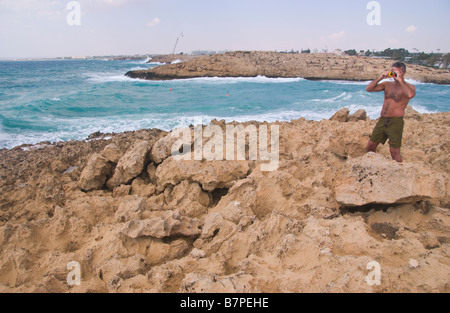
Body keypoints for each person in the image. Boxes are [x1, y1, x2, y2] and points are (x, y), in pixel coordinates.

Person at [365, 61, 416, 162]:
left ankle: (399, 170)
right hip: (383, 120)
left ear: (404, 72)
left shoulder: (409, 87)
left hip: (396, 122)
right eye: (393, 71)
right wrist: (381, 77)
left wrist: (401, 80)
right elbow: (369, 88)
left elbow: (410, 95)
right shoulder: (387, 84)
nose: (394, 74)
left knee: (394, 151)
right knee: (371, 146)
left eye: (397, 72)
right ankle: (372, 164)